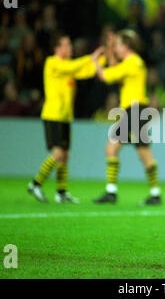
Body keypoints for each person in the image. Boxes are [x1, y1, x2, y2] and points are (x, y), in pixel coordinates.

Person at [91, 30, 162, 205]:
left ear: (127, 46)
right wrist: (110, 48)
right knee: (125, 150)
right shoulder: (134, 63)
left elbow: (106, 76)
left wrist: (95, 60)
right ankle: (149, 193)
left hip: (134, 111)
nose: (117, 49)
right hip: (135, 111)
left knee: (130, 151)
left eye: (119, 45)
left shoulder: (132, 62)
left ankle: (117, 192)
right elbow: (117, 72)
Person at [27, 34, 97, 203]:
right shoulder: (52, 63)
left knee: (64, 155)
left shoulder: (68, 66)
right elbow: (74, 67)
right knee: (58, 153)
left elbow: (87, 71)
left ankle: (61, 192)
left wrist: (100, 60)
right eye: (67, 45)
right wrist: (90, 57)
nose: (70, 48)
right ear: (57, 48)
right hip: (53, 115)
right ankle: (36, 183)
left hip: (65, 117)